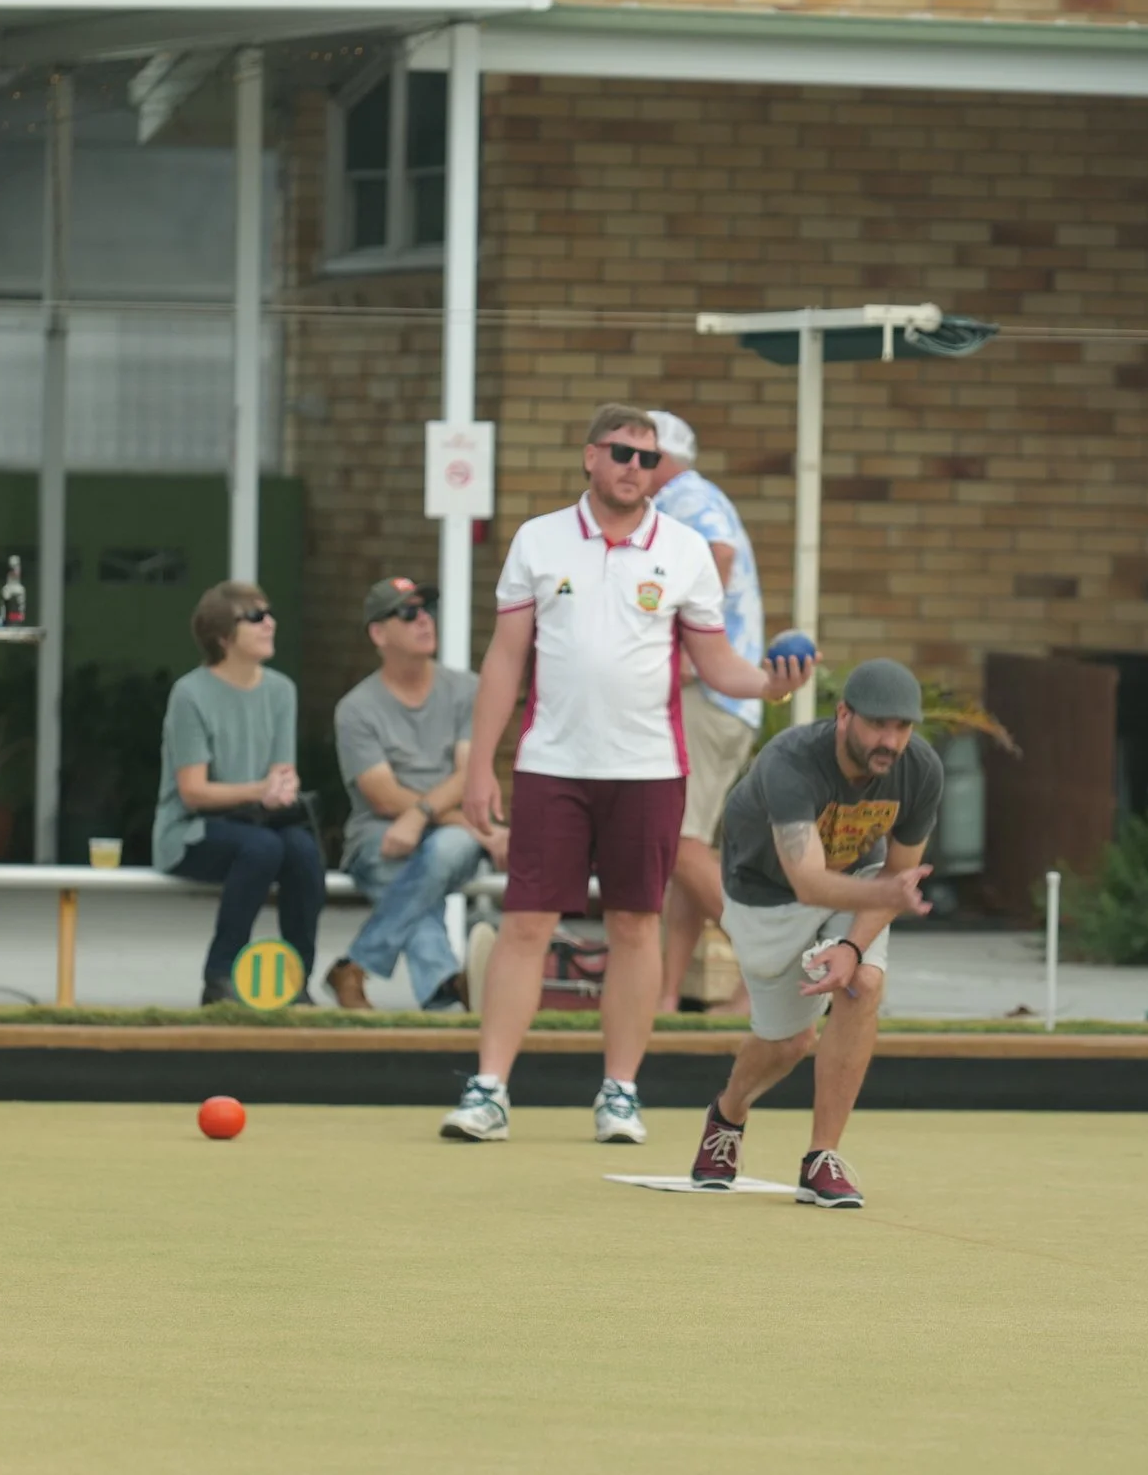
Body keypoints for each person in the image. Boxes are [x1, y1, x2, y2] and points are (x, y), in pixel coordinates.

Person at [440, 403, 813, 1145]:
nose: (634, 469)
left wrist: (769, 686)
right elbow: (506, 659)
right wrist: (481, 764)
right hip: (551, 764)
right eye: (620, 453)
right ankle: (489, 1089)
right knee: (525, 924)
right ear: (589, 456)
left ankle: (619, 1092)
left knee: (636, 925)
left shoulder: (684, 548)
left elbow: (715, 661)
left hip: (648, 769)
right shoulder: (539, 540)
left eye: (647, 459)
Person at [687, 659, 942, 1208]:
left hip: (855, 880)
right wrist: (887, 896)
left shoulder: (920, 769)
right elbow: (806, 881)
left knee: (865, 984)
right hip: (765, 893)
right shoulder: (791, 762)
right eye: (878, 724)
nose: (890, 740)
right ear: (844, 714)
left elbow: (896, 870)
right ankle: (728, 1115)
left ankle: (821, 1157)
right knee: (789, 1041)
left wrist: (852, 947)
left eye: (902, 727)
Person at [322, 577, 500, 1011]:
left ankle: (355, 966)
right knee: (408, 871)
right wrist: (454, 817)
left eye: (427, 610)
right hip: (380, 835)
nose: (424, 620)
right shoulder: (357, 708)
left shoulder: (467, 690)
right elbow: (381, 796)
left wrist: (421, 814)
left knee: (441, 852)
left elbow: (469, 773)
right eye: (408, 613)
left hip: (448, 835)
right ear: (378, 634)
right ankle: (444, 991)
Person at [641, 410, 765, 1015]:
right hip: (723, 699)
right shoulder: (694, 494)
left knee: (676, 843)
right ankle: (664, 996)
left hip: (707, 694)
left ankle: (777, 966)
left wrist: (685, 645)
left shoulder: (684, 497)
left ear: (661, 460)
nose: (629, 469)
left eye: (637, 456)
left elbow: (718, 555)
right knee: (683, 854)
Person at [153, 581, 325, 1007]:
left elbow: (283, 774)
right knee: (263, 849)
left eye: (268, 614)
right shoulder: (190, 694)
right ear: (223, 637)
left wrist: (282, 789)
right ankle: (219, 977)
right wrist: (261, 789)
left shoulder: (281, 690)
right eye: (255, 617)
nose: (270, 623)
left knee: (303, 852)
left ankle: (296, 980)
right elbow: (192, 791)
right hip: (193, 829)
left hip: (259, 820)